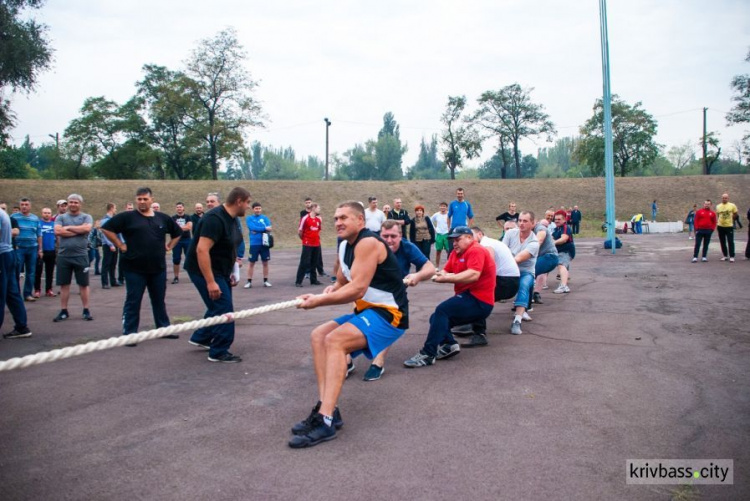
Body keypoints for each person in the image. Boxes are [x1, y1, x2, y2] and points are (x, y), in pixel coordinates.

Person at [289, 201, 408, 448]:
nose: (338, 222)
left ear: (360, 221)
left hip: (390, 314)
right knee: (319, 335)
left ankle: (326, 420)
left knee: (335, 340)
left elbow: (357, 288)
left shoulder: (368, 243)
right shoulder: (345, 247)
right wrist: (332, 288)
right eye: (335, 218)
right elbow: (344, 281)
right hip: (368, 311)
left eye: (344, 217)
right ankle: (326, 407)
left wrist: (319, 301)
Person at [404, 226, 495, 367]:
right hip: (468, 297)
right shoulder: (456, 253)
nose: (454, 243)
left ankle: (428, 354)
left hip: (480, 301)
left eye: (458, 239)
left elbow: (473, 274)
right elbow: (444, 271)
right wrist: (417, 277)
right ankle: (449, 344)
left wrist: (445, 278)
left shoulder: (476, 250)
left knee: (442, 310)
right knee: (435, 319)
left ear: (470, 238)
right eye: (453, 240)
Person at [101, 187, 181, 345]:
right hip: (134, 268)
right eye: (139, 199)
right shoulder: (127, 217)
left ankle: (163, 328)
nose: (142, 202)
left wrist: (170, 245)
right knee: (133, 300)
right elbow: (106, 228)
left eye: (145, 199)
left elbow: (177, 232)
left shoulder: (162, 218)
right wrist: (119, 244)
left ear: (152, 199)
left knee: (159, 299)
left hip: (157, 268)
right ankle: (130, 334)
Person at [362, 220, 435, 381]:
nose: (389, 240)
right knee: (357, 326)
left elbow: (429, 268)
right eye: (385, 236)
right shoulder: (371, 246)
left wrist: (417, 275)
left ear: (401, 236)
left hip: (394, 296)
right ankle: (347, 360)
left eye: (393, 236)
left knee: (389, 324)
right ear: (379, 236)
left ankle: (378, 362)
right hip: (368, 293)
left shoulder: (407, 247)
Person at [185, 187, 250, 363]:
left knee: (218, 306)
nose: (248, 206)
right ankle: (219, 351)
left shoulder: (232, 219)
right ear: (238, 201)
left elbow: (228, 246)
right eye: (247, 202)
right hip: (203, 270)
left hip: (220, 270)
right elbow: (201, 249)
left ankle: (201, 337)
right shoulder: (214, 218)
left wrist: (231, 270)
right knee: (224, 308)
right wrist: (211, 282)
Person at [451, 227, 521, 347]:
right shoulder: (489, 242)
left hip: (506, 282)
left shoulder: (485, 244)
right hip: (510, 280)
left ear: (480, 234)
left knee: (476, 296)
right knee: (473, 293)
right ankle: (471, 324)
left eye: (471, 236)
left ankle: (479, 334)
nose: (469, 240)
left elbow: (487, 265)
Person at [53, 194, 94, 322]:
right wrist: (78, 230)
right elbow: (58, 232)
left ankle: (86, 310)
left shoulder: (86, 217)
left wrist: (69, 228)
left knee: (83, 284)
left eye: (76, 202)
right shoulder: (61, 217)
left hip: (81, 256)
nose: (73, 204)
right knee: (64, 285)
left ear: (80, 204)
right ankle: (64, 311)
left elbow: (87, 228)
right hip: (64, 256)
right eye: (71, 202)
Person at [503, 212, 539, 335]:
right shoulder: (509, 233)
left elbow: (518, 258)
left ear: (533, 224)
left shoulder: (534, 242)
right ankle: (475, 320)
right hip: (508, 270)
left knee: (524, 285)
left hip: (525, 272)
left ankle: (517, 321)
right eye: (520, 220)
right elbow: (502, 252)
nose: (521, 223)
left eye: (525, 221)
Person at [1, 205, 32, 339]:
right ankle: (21, 327)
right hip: (8, 254)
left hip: (2, 256)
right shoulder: (2, 213)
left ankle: (22, 326)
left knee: (2, 295)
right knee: (11, 293)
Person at [11, 197, 42, 301]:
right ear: (20, 206)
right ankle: (16, 294)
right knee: (16, 271)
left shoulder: (35, 218)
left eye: (26, 204)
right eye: (22, 204)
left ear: (30, 206)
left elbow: (39, 234)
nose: (24, 206)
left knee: (31, 272)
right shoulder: (13, 217)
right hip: (18, 248)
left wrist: (40, 249)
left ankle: (27, 294)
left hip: (32, 248)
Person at [532, 216, 559, 305]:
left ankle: (526, 301)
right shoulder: (528, 231)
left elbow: (540, 237)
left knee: (529, 274)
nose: (544, 226)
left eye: (546, 226)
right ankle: (535, 294)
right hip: (544, 257)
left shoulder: (540, 228)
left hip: (550, 256)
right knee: (537, 273)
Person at [244, 202, 272, 288]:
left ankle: (266, 281)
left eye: (259, 208)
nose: (258, 210)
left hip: (264, 243)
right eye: (256, 208)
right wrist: (263, 229)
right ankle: (249, 282)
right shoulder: (249, 218)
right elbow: (252, 228)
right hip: (254, 244)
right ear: (253, 209)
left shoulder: (265, 218)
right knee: (251, 263)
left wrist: (258, 230)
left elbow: (269, 228)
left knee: (265, 262)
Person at [296, 203, 323, 287]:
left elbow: (318, 230)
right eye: (318, 208)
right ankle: (298, 281)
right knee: (304, 262)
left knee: (314, 262)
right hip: (307, 243)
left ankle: (313, 280)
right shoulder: (305, 218)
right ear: (314, 208)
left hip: (316, 243)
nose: (319, 210)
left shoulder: (318, 219)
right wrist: (304, 239)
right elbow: (300, 231)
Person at [33, 207, 57, 298]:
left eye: (48, 213)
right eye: (45, 213)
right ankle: (37, 290)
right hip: (40, 251)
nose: (47, 214)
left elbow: (57, 237)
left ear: (51, 214)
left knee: (50, 272)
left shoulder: (54, 224)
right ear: (42, 213)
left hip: (51, 250)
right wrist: (39, 249)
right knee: (38, 272)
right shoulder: (38, 223)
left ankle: (49, 289)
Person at [552, 212, 575, 294]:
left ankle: (563, 286)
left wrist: (553, 243)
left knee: (561, 265)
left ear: (564, 220)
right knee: (563, 266)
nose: (557, 221)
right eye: (555, 219)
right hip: (560, 250)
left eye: (559, 219)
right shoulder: (556, 229)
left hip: (566, 250)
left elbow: (564, 238)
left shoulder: (565, 227)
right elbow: (551, 237)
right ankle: (564, 282)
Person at [171, 202, 193, 284]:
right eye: (177, 207)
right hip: (177, 240)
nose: (179, 208)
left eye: (180, 207)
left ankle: (192, 276)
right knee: (176, 259)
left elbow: (189, 227)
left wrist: (177, 227)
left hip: (187, 239)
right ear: (176, 208)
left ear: (183, 208)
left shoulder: (188, 217)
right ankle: (176, 277)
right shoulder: (173, 218)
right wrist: (184, 227)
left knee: (189, 258)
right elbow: (172, 229)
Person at [99, 203, 119, 289]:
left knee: (113, 263)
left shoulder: (113, 219)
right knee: (106, 263)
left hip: (114, 243)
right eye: (115, 208)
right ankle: (104, 282)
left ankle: (113, 281)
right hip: (108, 245)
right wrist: (111, 244)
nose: (116, 210)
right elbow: (105, 234)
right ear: (111, 208)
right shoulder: (104, 220)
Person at [715, 193, 738, 262]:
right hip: (720, 226)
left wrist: (732, 220)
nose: (724, 199)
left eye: (725, 198)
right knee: (722, 241)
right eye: (723, 198)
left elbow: (735, 213)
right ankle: (725, 255)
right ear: (721, 198)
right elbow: (718, 214)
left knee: (730, 241)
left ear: (728, 198)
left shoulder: (732, 205)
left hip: (729, 226)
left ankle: (732, 256)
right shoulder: (718, 206)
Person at [431, 202, 449, 270]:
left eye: (444, 206)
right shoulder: (436, 214)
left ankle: (449, 267)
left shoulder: (449, 214)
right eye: (441, 206)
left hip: (447, 234)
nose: (442, 207)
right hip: (439, 235)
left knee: (448, 251)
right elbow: (430, 220)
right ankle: (437, 267)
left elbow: (452, 221)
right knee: (438, 251)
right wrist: (434, 228)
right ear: (439, 207)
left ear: (446, 207)